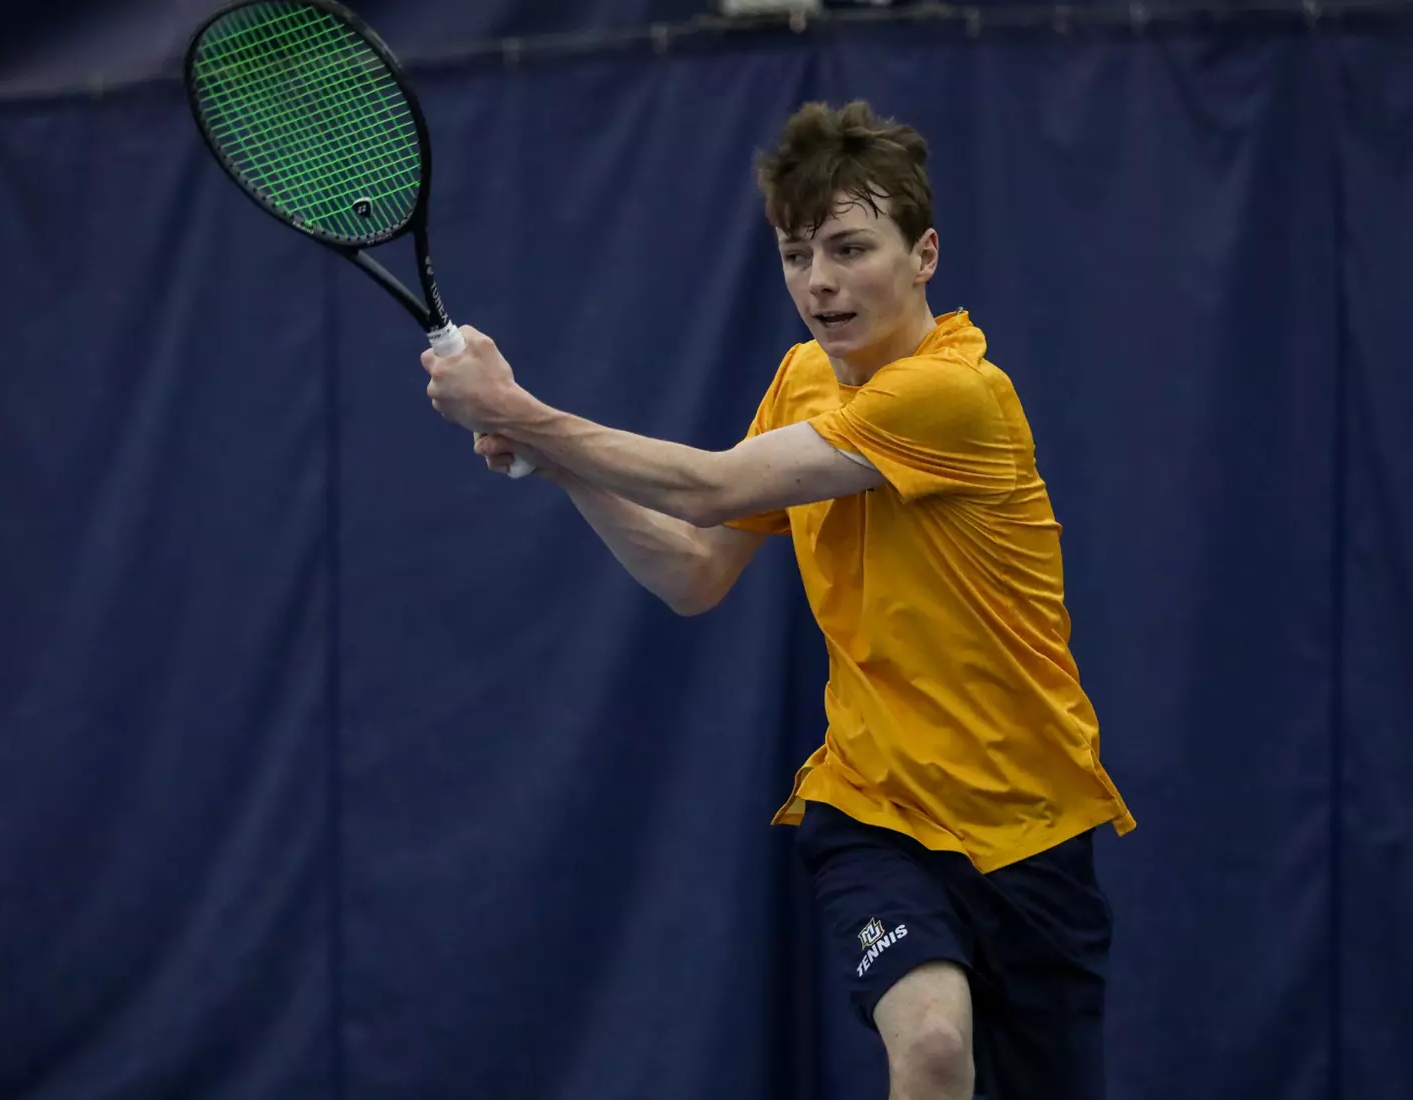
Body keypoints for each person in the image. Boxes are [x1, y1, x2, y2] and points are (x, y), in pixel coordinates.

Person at [421, 100, 1135, 1100]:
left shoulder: (953, 396)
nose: (822, 282)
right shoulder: (805, 377)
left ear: (924, 253)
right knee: (930, 1045)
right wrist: (554, 457)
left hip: (1031, 821)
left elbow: (711, 483)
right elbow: (693, 569)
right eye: (799, 254)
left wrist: (513, 410)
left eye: (851, 248)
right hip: (873, 802)